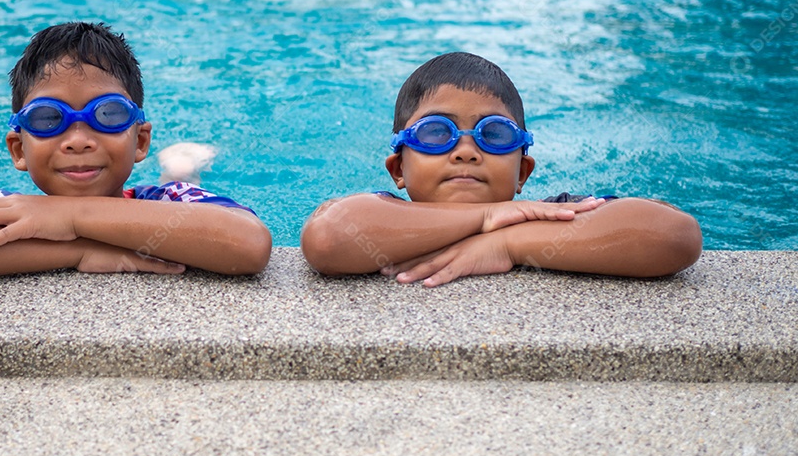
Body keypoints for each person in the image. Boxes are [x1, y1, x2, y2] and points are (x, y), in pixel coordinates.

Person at [0, 22, 272, 283]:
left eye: (109, 114)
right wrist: (80, 247)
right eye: (49, 119)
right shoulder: (8, 208)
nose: (78, 139)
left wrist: (69, 215)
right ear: (18, 149)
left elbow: (249, 245)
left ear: (139, 142)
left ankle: (179, 165)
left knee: (180, 179)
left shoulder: (169, 201)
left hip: (158, 196)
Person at [300, 52, 702, 286]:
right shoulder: (384, 212)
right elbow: (329, 240)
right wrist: (488, 215)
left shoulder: (548, 216)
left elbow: (674, 235)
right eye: (437, 133)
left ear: (522, 172)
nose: (466, 151)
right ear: (398, 169)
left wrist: (505, 243)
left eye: (493, 134)